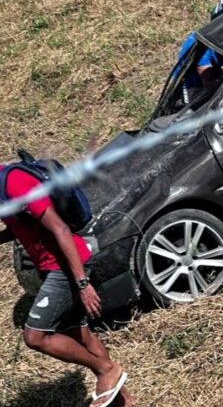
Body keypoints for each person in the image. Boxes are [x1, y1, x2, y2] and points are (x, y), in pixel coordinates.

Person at [0, 165, 133, 407]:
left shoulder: (15, 182)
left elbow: (59, 228)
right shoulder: (2, 190)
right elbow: (20, 226)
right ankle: (123, 401)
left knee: (35, 336)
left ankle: (106, 370)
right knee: (78, 332)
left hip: (65, 266)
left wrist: (82, 284)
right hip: (51, 267)